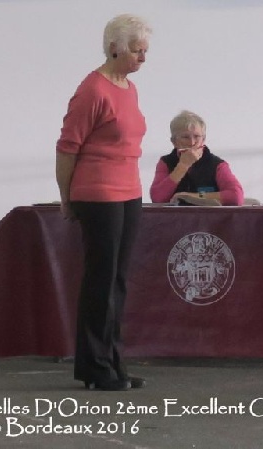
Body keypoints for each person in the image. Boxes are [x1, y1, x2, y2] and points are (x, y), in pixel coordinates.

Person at [55, 14, 152, 391]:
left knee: (118, 281)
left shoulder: (128, 88)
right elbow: (67, 149)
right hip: (98, 194)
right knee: (100, 280)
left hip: (129, 192)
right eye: (136, 51)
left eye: (145, 52)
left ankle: (113, 362)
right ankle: (94, 367)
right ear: (114, 48)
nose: (142, 58)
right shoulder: (91, 91)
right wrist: (66, 198)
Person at [149, 110, 245, 206]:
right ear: (174, 141)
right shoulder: (165, 162)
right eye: (185, 137)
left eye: (197, 136)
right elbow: (157, 198)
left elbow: (236, 196)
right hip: (176, 220)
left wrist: (192, 196)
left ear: (203, 139)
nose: (192, 142)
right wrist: (183, 166)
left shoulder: (217, 165)